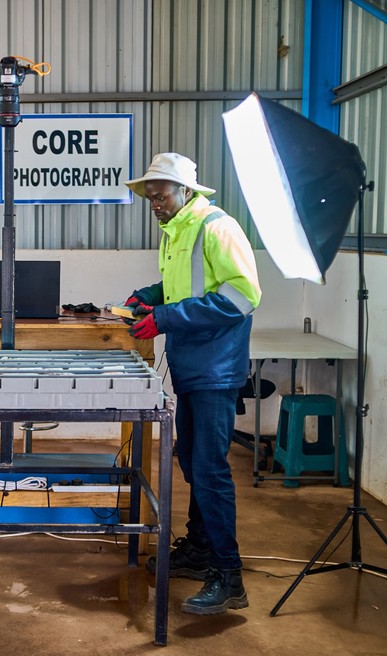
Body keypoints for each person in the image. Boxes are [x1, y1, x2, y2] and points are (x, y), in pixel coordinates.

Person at [121, 152, 261, 615]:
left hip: (217, 368)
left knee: (210, 468)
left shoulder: (216, 227)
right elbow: (187, 288)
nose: (155, 205)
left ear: (185, 191)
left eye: (161, 196)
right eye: (151, 199)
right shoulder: (176, 232)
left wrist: (164, 318)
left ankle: (229, 575)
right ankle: (201, 551)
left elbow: (241, 296)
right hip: (192, 366)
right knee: (190, 458)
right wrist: (151, 296)